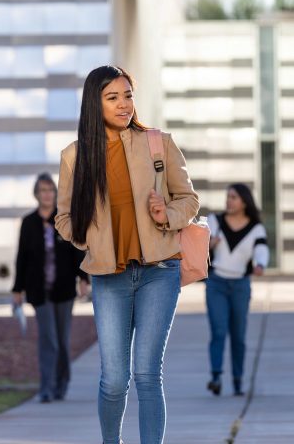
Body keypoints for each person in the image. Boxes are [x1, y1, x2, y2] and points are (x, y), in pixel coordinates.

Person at [55, 65, 199, 444]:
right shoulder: (74, 156)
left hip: (159, 271)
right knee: (114, 380)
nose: (124, 105)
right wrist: (85, 237)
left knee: (148, 373)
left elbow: (189, 199)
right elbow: (64, 217)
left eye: (128, 96)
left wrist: (165, 214)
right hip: (108, 277)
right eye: (113, 97)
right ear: (94, 103)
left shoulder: (158, 142)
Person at [12, 172, 90, 404]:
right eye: (42, 191)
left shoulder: (65, 220)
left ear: (55, 194)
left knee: (62, 341)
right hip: (38, 291)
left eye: (50, 190)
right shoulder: (28, 223)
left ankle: (61, 384)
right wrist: (17, 289)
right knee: (48, 339)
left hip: (64, 289)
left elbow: (77, 251)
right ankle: (46, 387)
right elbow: (21, 258)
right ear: (36, 194)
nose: (47, 195)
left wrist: (83, 278)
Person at [205, 184, 268, 397]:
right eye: (227, 197)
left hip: (241, 285)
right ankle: (215, 376)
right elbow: (199, 245)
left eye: (233, 197)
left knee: (239, 336)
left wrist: (260, 264)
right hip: (216, 284)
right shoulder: (215, 221)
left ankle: (238, 380)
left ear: (244, 201)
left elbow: (261, 249)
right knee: (219, 331)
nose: (228, 201)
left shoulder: (255, 228)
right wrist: (210, 244)